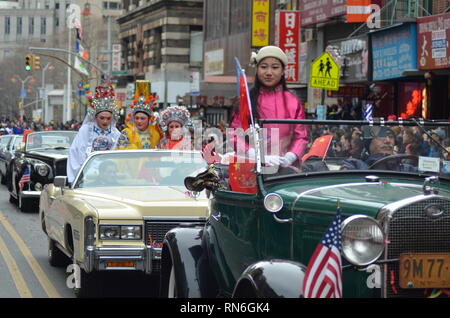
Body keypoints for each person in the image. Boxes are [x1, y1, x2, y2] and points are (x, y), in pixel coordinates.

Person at [229, 45, 308, 169]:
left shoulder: (293, 102)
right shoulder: (247, 101)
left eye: (275, 67)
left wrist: (290, 156)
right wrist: (255, 155)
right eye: (264, 67)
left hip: (286, 171)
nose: (269, 72)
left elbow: (301, 136)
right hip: (251, 169)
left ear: (282, 71)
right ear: (257, 70)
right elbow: (234, 134)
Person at [67, 85, 121, 184]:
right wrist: (82, 174)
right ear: (95, 117)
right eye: (102, 118)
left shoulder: (115, 134)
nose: (105, 121)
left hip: (110, 175)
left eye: (108, 118)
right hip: (87, 175)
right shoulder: (85, 130)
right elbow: (76, 152)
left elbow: (117, 156)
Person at [116, 81, 163, 150]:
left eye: (142, 118)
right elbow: (121, 152)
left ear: (149, 119)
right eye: (137, 118)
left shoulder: (155, 134)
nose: (139, 121)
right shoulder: (126, 133)